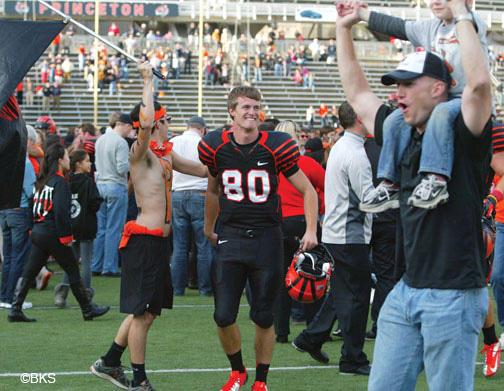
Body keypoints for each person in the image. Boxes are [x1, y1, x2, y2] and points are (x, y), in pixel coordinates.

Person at [335, 0, 492, 388]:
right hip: (406, 291)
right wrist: (343, 28)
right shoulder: (400, 130)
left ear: (438, 88)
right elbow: (357, 94)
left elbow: (480, 84)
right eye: (396, 85)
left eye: (407, 84)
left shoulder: (464, 129)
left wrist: (461, 15)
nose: (398, 93)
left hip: (453, 294)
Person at [90, 62, 208, 391]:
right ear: (156, 123)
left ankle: (110, 360)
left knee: (149, 312)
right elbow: (142, 123)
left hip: (159, 244)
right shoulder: (140, 152)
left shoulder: (166, 153)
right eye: (167, 120)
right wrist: (146, 81)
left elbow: (202, 171)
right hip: (144, 240)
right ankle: (139, 380)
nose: (170, 125)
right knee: (142, 314)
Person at [198, 85, 319, 391]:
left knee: (264, 316)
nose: (251, 113)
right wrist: (208, 226)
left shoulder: (276, 145)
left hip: (267, 238)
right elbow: (213, 189)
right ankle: (238, 371)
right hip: (232, 235)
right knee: (223, 314)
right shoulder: (214, 145)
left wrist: (311, 230)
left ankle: (261, 381)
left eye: (255, 107)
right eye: (245, 108)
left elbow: (308, 190)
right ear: (231, 112)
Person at [356, 0, 488, 212]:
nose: (436, 2)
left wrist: (460, 10)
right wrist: (362, 14)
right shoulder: (431, 27)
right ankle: (390, 182)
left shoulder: (470, 21)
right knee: (393, 120)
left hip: (465, 97)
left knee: (441, 113)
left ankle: (436, 177)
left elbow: (468, 24)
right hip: (438, 95)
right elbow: (398, 26)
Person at [292, 101, 374, 375]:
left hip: (339, 231)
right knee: (358, 297)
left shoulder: (340, 145)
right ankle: (352, 358)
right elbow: (369, 199)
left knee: (343, 291)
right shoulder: (355, 153)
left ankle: (311, 337)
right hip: (351, 235)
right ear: (360, 119)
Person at [7, 143, 110, 322]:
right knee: (72, 270)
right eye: (67, 157)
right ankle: (87, 310)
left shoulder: (42, 179)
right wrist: (66, 236)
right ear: (60, 160)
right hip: (52, 233)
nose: (69, 160)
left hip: (39, 231)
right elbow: (62, 212)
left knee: (30, 271)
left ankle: (15, 309)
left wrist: (33, 228)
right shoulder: (61, 182)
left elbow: (33, 206)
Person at [273, 120, 325, 344]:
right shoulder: (306, 163)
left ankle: (281, 330)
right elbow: (328, 186)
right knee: (311, 274)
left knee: (282, 279)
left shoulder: (268, 164)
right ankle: (313, 327)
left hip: (277, 223)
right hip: (304, 223)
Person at [170, 116, 213, 297]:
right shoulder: (204, 143)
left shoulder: (173, 142)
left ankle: (177, 289)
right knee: (203, 245)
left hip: (177, 193)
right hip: (200, 193)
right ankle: (205, 289)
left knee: (179, 246)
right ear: (202, 129)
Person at [54, 149, 102, 308]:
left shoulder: (66, 180)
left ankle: (62, 294)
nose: (90, 164)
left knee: (70, 262)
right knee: (86, 261)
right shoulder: (88, 182)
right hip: (86, 226)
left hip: (70, 225)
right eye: (87, 160)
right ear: (79, 164)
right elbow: (95, 202)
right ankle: (86, 294)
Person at [0, 124, 36, 309]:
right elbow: (30, 192)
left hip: (5, 212)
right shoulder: (25, 162)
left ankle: (4, 295)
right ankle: (12, 298)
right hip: (19, 211)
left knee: (8, 256)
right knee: (18, 256)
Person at [91, 113, 132, 276]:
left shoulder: (100, 139)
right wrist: (134, 162)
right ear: (125, 125)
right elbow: (122, 167)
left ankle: (96, 264)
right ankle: (109, 267)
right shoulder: (120, 142)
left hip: (100, 184)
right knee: (114, 228)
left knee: (101, 228)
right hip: (116, 184)